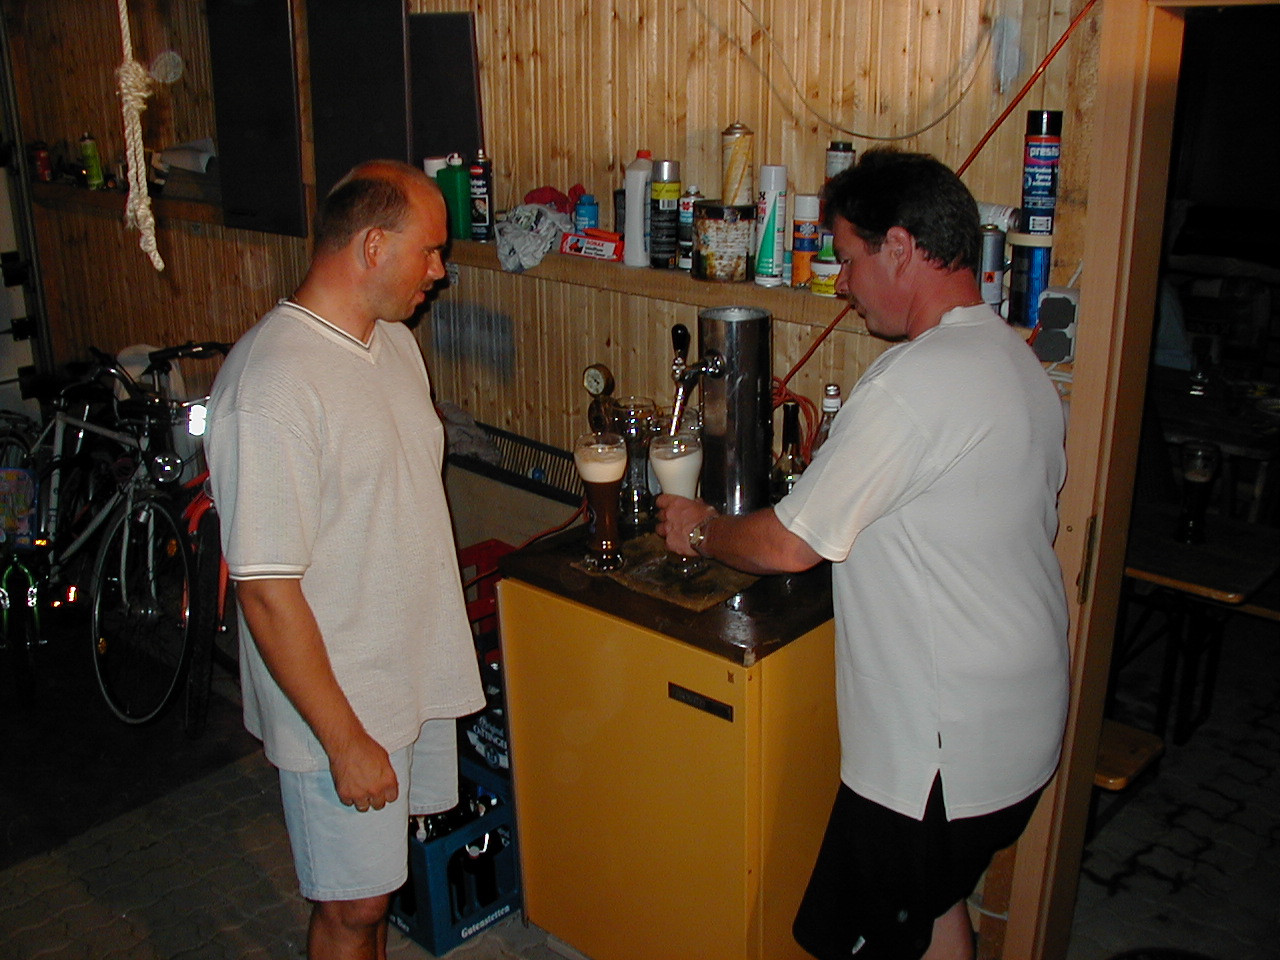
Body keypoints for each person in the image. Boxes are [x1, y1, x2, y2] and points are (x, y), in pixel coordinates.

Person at [656, 149, 1070, 960]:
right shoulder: (1015, 361)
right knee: (932, 909)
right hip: (1017, 730)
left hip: (937, 755)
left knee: (859, 939)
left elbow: (788, 545)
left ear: (902, 248)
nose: (843, 283)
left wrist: (701, 528)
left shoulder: (913, 382)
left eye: (848, 258)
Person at [204, 160, 485, 960]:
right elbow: (265, 590)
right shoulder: (272, 387)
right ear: (372, 246)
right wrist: (343, 739)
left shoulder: (393, 344)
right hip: (341, 698)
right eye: (430, 250)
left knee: (377, 889)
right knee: (352, 906)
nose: (441, 271)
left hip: (404, 676)